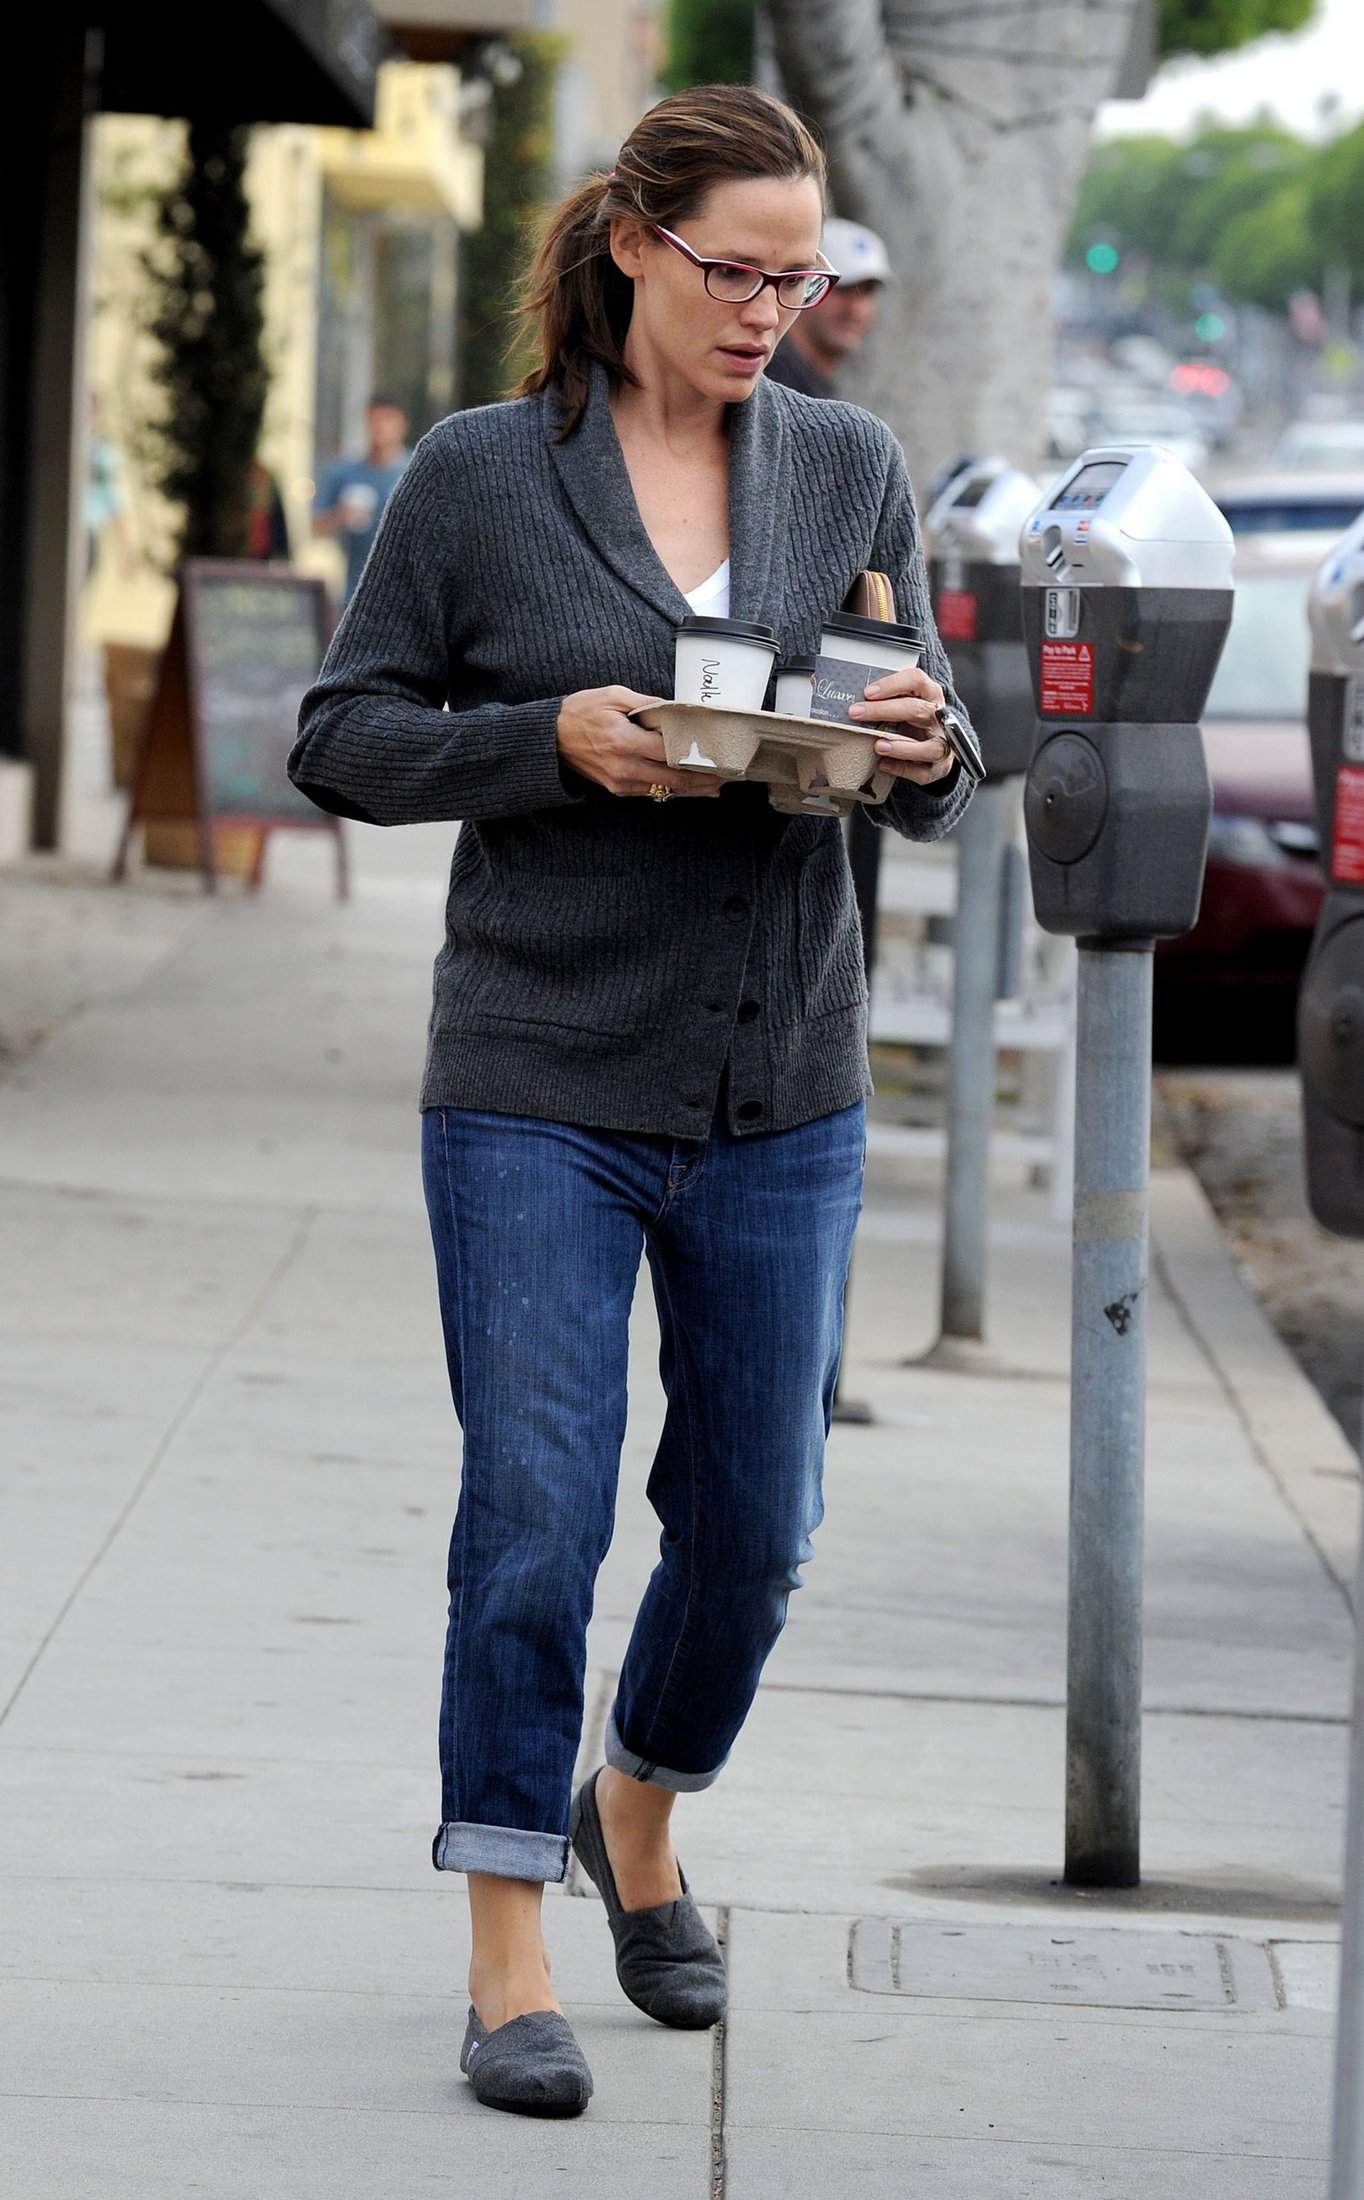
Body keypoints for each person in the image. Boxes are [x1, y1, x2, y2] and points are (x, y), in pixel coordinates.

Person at [290, 83, 978, 2121]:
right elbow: (343, 734)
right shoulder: (482, 479)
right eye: (740, 270)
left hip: (780, 1073)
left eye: (806, 274)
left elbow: (923, 738)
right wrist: (548, 740)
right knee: (535, 1508)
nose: (779, 306)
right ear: (631, 247)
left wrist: (925, 739)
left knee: (755, 1522)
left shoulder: (847, 467)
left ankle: (639, 1807)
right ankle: (508, 1932)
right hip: (535, 1074)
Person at [765, 216, 893, 400]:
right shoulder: (773, 378)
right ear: (801, 286)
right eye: (843, 289)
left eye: (867, 292)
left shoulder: (807, 383)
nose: (855, 309)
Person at [312, 395, 410, 602]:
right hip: (356, 588)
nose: (379, 427)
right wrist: (340, 515)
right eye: (373, 420)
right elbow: (316, 526)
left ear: (402, 425)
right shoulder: (343, 470)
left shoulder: (415, 469)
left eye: (386, 419)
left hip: (406, 589)